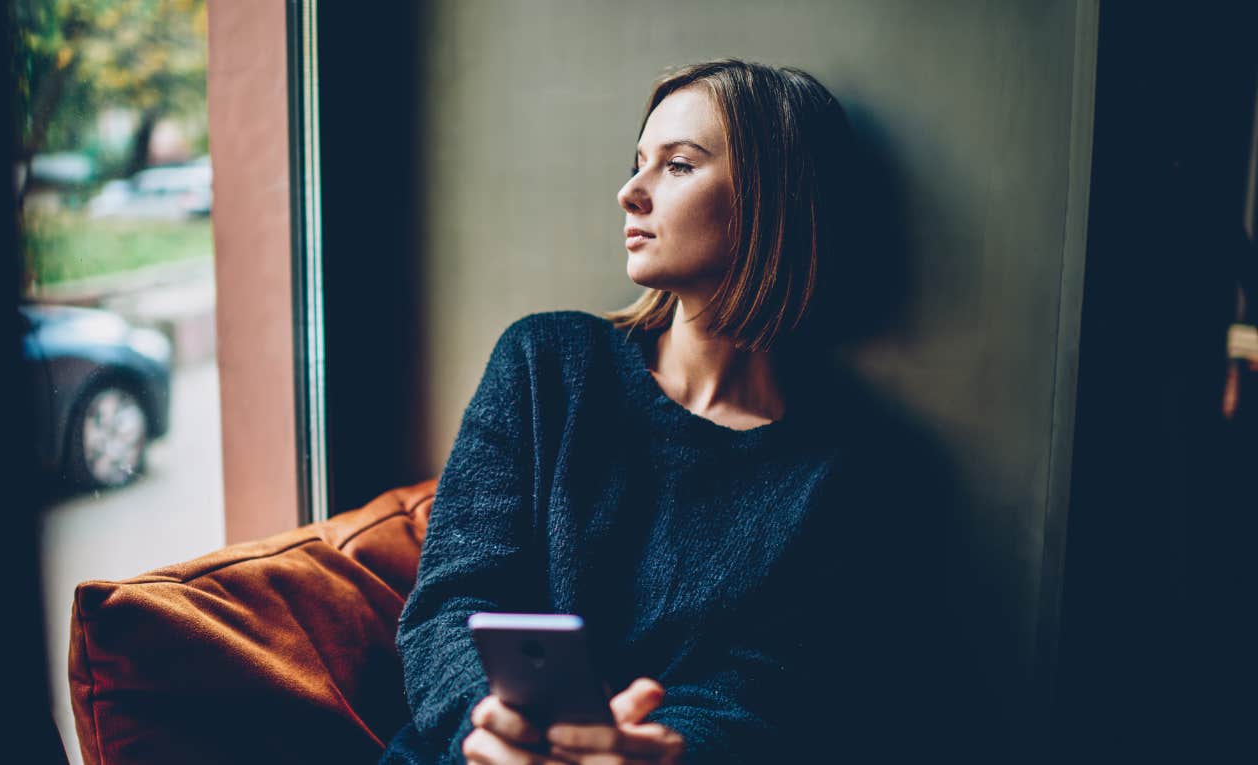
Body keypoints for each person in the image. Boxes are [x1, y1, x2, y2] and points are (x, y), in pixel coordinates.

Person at [380, 59, 957, 764]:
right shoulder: (547, 363)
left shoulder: (848, 469)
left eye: (678, 166)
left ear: (772, 199)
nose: (629, 193)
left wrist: (650, 749)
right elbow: (451, 599)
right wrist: (492, 722)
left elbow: (769, 689)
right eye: (638, 163)